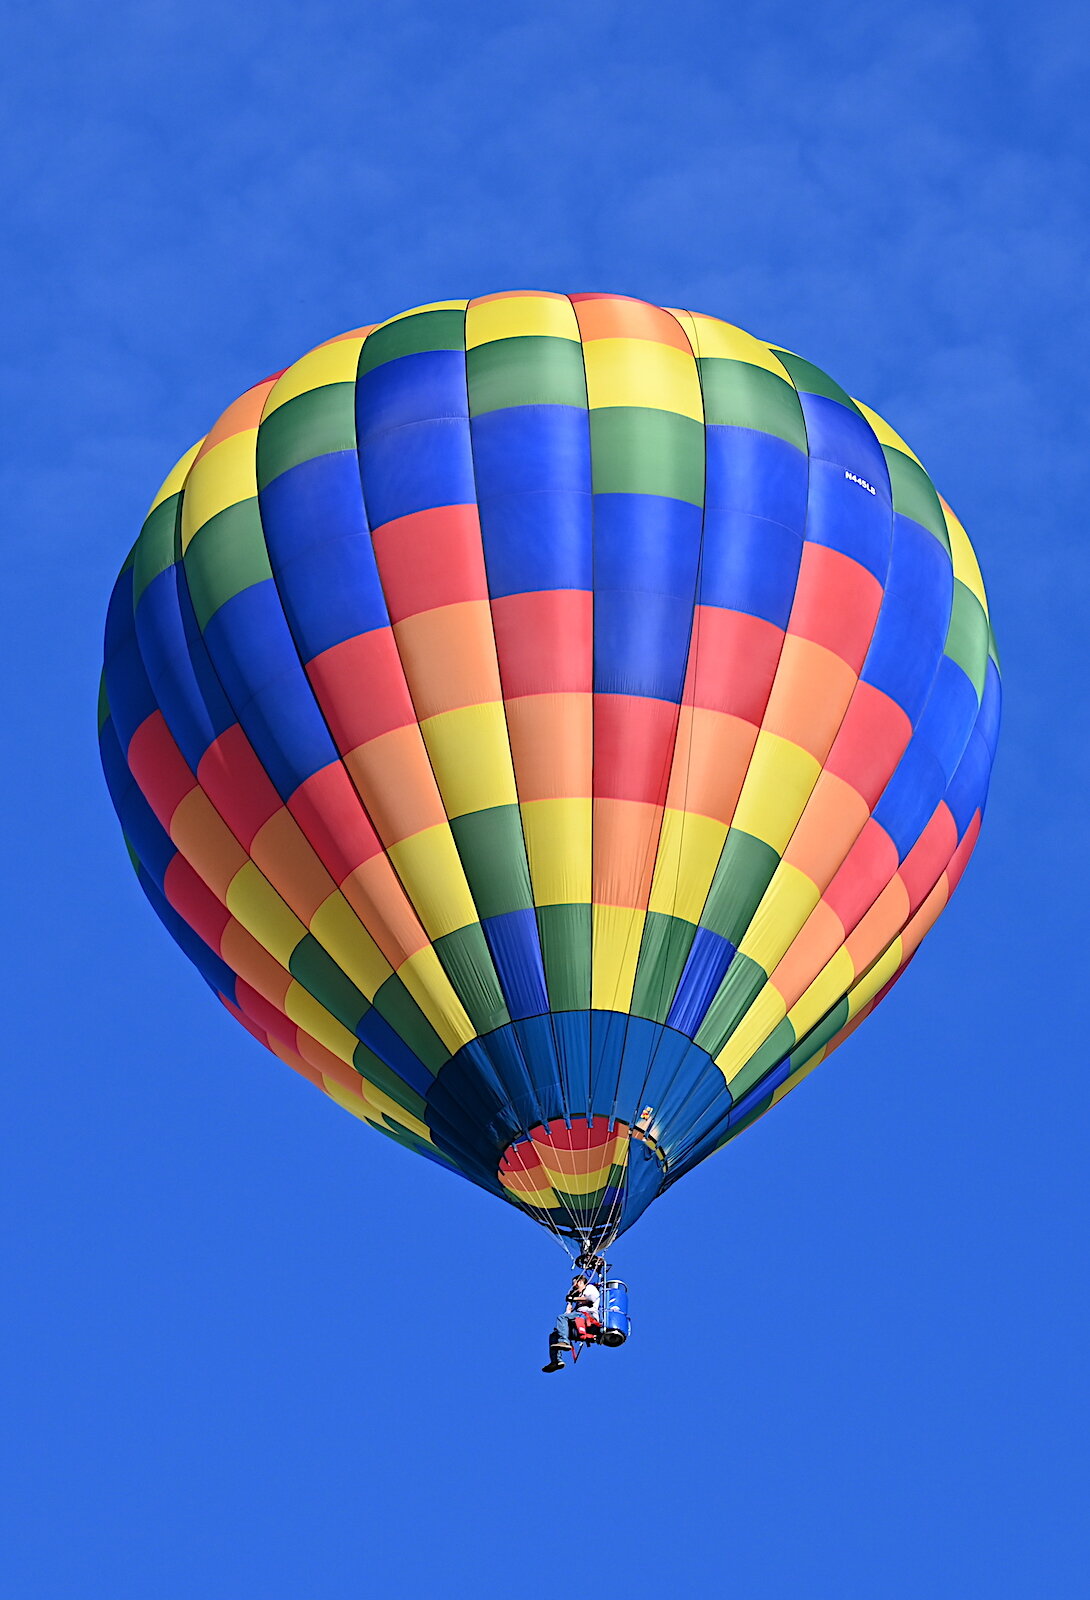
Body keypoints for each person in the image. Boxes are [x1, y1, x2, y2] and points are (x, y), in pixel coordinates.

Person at [542, 1274, 601, 1372]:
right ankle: (556, 1361)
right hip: (578, 1321)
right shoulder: (578, 1299)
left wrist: (573, 1299)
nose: (574, 1287)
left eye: (575, 1284)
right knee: (554, 1335)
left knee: (561, 1317)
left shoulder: (590, 1288)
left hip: (587, 1317)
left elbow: (591, 1299)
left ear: (581, 1282)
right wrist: (569, 1307)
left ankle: (565, 1341)